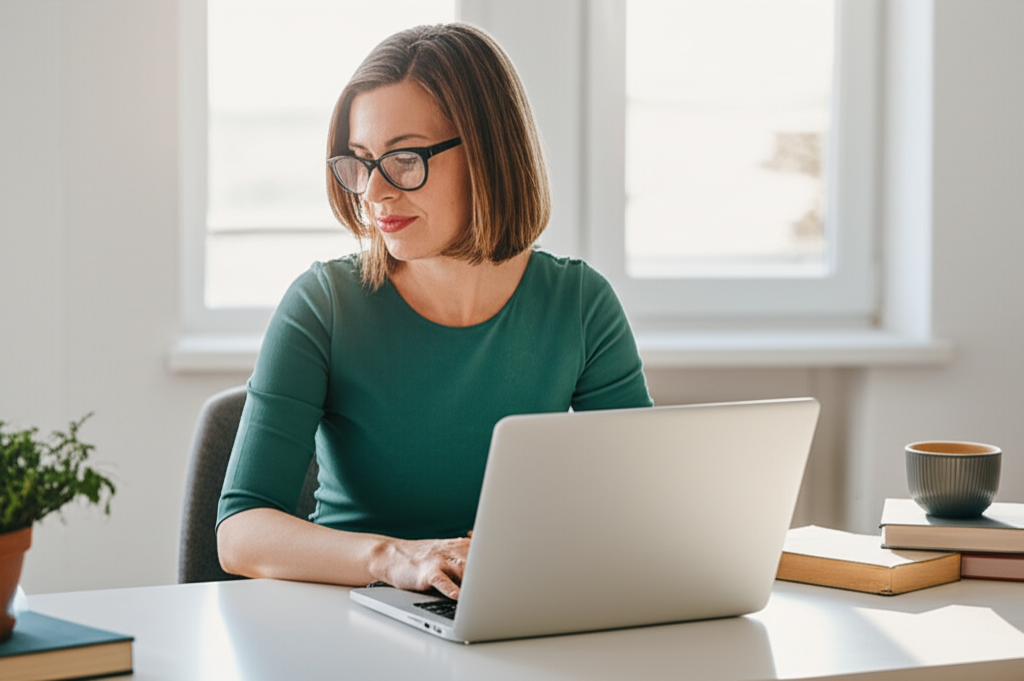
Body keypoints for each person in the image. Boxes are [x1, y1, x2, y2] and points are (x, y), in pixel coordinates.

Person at [215, 23, 652, 600]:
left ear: (489, 154)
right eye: (361, 161)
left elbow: (642, 508)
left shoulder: (579, 304)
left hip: (508, 613)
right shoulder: (324, 304)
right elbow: (240, 533)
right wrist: (394, 557)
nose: (373, 192)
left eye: (403, 159)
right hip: (348, 614)